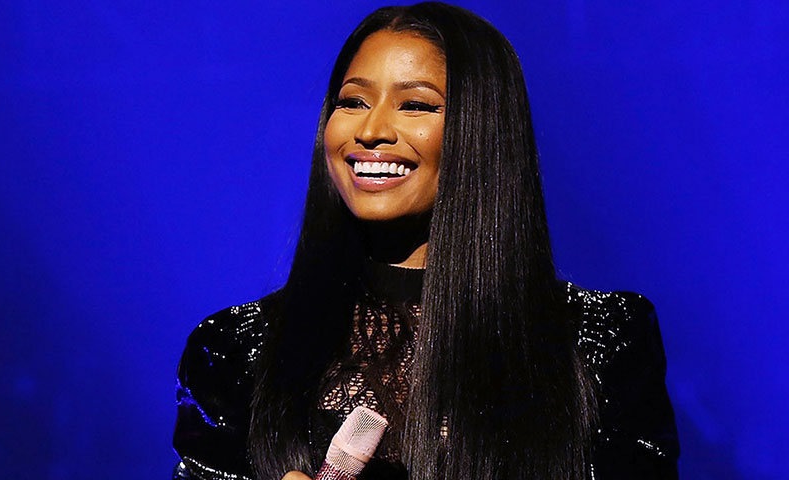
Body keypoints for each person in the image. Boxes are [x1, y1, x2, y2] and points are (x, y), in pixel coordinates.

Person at [172, 2, 680, 479]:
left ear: (484, 130)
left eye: (415, 105)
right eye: (353, 101)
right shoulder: (236, 350)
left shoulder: (598, 339)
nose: (371, 130)